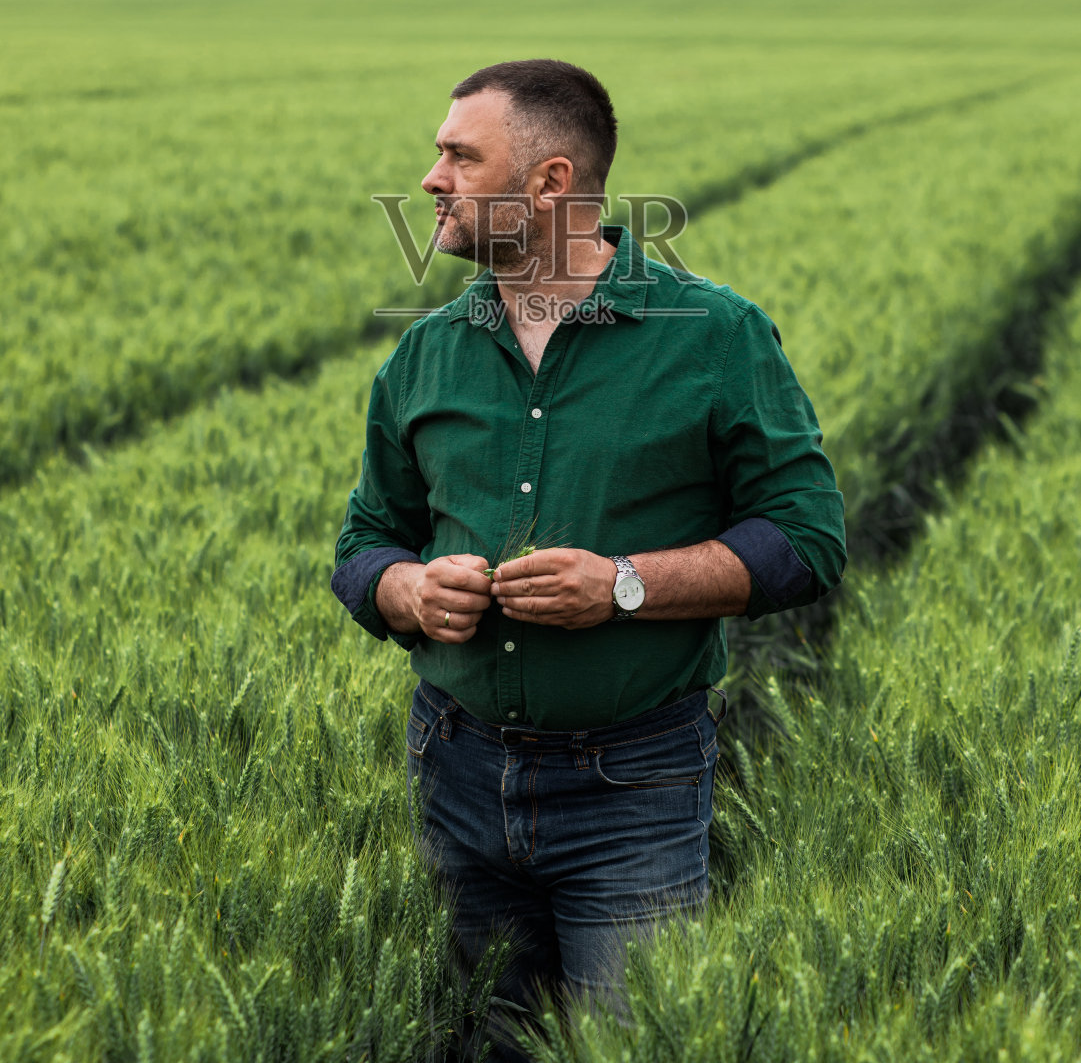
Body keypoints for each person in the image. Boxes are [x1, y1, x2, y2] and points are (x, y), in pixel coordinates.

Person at [331, 58, 846, 1059]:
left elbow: (807, 539)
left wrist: (619, 584)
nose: (430, 177)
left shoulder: (714, 335)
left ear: (552, 183)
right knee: (484, 1043)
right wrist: (402, 588)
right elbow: (366, 540)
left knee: (634, 1046)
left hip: (632, 785)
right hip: (453, 768)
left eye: (458, 155)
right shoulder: (423, 353)